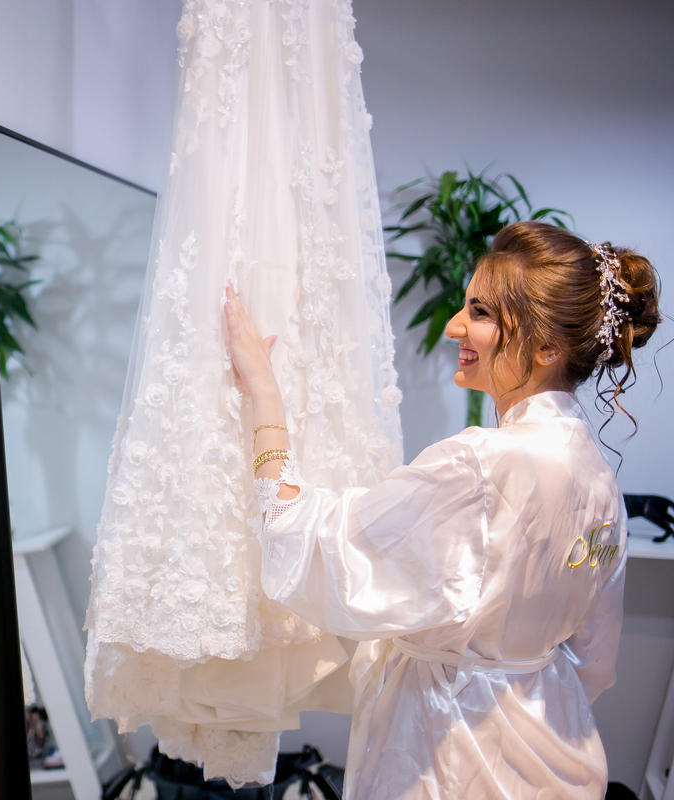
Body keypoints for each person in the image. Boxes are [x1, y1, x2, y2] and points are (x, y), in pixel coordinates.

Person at [224, 221, 661, 799]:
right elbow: (593, 665)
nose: (455, 325)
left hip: (453, 753)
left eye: (480, 312)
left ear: (547, 347)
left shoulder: (480, 466)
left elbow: (316, 545)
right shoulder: (600, 480)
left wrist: (263, 393)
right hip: (559, 751)